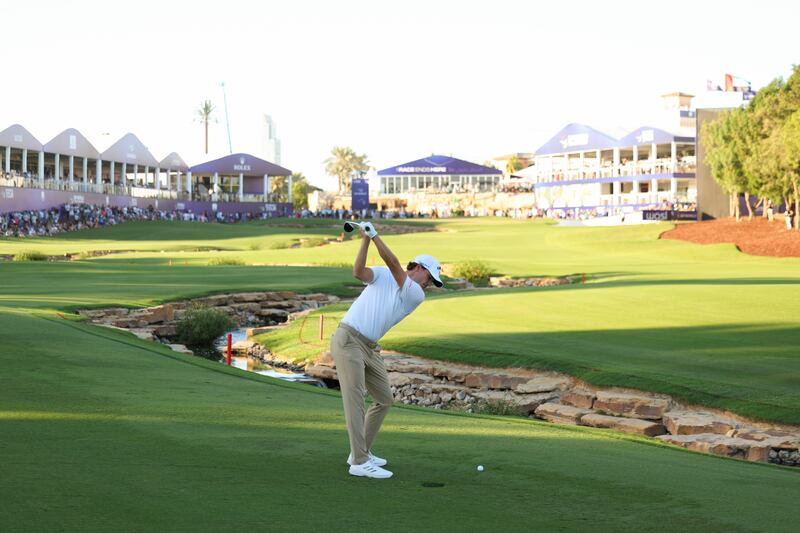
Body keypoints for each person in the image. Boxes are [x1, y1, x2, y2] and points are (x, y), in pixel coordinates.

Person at [331, 221, 442, 479]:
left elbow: (394, 263)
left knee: (384, 398)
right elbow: (358, 271)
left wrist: (375, 235)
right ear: (419, 268)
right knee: (355, 397)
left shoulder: (415, 294)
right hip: (348, 338)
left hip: (369, 348)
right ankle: (358, 461)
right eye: (430, 279)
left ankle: (360, 451)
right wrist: (365, 240)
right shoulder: (382, 275)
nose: (430, 285)